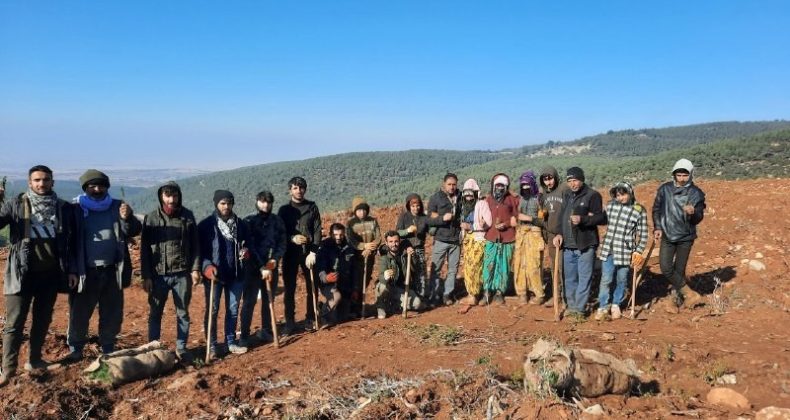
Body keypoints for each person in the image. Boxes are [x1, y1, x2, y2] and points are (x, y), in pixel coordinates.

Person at [0, 165, 74, 386]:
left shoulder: (62, 208)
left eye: (46, 180)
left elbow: (70, 241)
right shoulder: (16, 204)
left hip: (50, 274)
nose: (42, 184)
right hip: (21, 274)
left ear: (53, 182)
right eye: (37, 180)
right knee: (14, 323)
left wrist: (70, 269)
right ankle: (8, 369)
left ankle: (34, 360)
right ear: (29, 182)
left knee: (42, 320)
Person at [67, 169, 142, 360]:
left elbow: (132, 230)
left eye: (102, 186)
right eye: (93, 186)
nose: (98, 189)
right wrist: (72, 269)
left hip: (112, 270)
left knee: (112, 312)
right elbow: (68, 240)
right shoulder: (75, 209)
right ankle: (76, 349)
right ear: (86, 188)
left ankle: (108, 346)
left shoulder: (117, 206)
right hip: (86, 272)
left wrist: (128, 218)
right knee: (80, 312)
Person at [140, 181, 201, 361]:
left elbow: (195, 245)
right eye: (167, 196)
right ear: (161, 196)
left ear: (179, 196)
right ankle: (153, 347)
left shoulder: (187, 216)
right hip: (158, 275)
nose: (171, 200)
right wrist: (146, 276)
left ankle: (181, 348)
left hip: (182, 274)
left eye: (174, 196)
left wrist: (195, 268)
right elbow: (144, 249)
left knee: (183, 312)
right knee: (155, 312)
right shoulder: (151, 218)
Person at [198, 190, 252, 357]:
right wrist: (206, 267)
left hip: (236, 274)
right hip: (214, 275)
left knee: (233, 309)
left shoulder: (241, 225)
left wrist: (246, 251)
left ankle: (230, 342)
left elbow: (248, 243)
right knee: (213, 310)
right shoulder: (206, 225)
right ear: (216, 204)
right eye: (223, 203)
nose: (226, 206)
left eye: (229, 203)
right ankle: (212, 345)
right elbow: (199, 252)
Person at [653, 158, 706, 313]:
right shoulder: (664, 189)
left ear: (690, 175)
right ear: (674, 175)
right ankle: (689, 293)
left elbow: (699, 218)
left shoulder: (696, 193)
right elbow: (656, 209)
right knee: (665, 267)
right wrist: (657, 227)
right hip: (668, 234)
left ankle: (676, 299)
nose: (681, 178)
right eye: (679, 175)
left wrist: (694, 212)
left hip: (686, 237)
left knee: (679, 270)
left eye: (685, 175)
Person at [552, 167, 607, 318]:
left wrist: (583, 219)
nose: (573, 184)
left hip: (585, 245)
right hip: (568, 246)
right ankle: (571, 306)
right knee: (569, 278)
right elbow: (561, 217)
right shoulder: (568, 195)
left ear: (582, 179)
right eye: (569, 181)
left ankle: (580, 310)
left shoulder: (592, 195)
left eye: (575, 180)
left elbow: (602, 218)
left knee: (584, 277)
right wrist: (558, 233)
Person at [595, 182, 648, 321]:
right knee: (606, 279)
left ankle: (616, 304)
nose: (620, 198)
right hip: (608, 249)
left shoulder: (639, 210)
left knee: (622, 279)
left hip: (625, 251)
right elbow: (601, 219)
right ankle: (603, 306)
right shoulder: (610, 206)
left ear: (630, 193)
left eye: (623, 194)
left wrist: (638, 251)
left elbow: (643, 234)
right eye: (617, 195)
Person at [240, 190, 286, 345]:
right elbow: (249, 246)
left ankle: (266, 330)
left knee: (268, 299)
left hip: (270, 267)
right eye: (262, 201)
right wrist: (261, 266)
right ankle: (244, 336)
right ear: (257, 201)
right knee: (249, 301)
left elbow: (282, 243)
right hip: (252, 269)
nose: (265, 205)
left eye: (268, 202)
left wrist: (274, 260)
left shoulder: (277, 221)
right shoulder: (248, 221)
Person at [277, 177, 322, 333]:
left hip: (308, 252)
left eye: (301, 187)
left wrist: (313, 252)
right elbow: (280, 232)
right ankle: (290, 321)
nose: (299, 191)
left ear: (305, 189)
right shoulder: (284, 210)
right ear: (290, 190)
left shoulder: (312, 207)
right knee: (290, 288)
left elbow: (317, 230)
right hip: (290, 253)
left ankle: (310, 318)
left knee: (312, 286)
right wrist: (292, 238)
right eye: (295, 188)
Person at [426, 173, 463, 306]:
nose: (452, 187)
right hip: (441, 239)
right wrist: (442, 218)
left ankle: (447, 294)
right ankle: (434, 295)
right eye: (449, 184)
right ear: (444, 184)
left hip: (455, 240)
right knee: (436, 269)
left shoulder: (461, 196)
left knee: (453, 269)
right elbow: (429, 219)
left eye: (454, 184)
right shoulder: (436, 198)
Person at [481, 173, 518, 305]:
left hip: (507, 237)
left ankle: (499, 291)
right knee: (489, 264)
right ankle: (486, 290)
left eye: (502, 185)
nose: (500, 188)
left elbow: (516, 218)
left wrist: (506, 224)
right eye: (497, 185)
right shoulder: (488, 200)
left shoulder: (512, 200)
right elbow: (482, 216)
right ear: (493, 186)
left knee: (503, 265)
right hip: (491, 236)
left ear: (506, 186)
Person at [513, 170, 546, 304]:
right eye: (523, 186)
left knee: (534, 264)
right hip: (521, 233)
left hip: (534, 233)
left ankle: (539, 293)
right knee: (520, 264)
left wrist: (528, 218)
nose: (525, 188)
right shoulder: (520, 199)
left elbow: (543, 220)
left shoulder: (540, 198)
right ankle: (522, 292)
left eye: (527, 185)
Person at [375, 231, 425, 319]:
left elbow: (415, 268)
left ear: (399, 241)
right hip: (389, 287)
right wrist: (386, 276)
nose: (394, 244)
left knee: (417, 304)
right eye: (390, 242)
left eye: (396, 241)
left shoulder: (405, 254)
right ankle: (381, 307)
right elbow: (381, 277)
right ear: (386, 243)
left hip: (401, 289)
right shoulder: (384, 257)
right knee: (382, 286)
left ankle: (394, 306)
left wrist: (412, 256)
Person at [347, 196, 381, 317]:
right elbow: (351, 241)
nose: (362, 212)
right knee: (356, 283)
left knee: (365, 281)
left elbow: (378, 238)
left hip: (369, 258)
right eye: (359, 210)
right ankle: (353, 308)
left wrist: (370, 247)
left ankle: (360, 307)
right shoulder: (351, 223)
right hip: (356, 259)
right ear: (355, 211)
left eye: (364, 209)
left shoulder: (373, 221)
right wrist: (363, 246)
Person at [539, 166, 569, 304]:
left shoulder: (564, 189)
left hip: (565, 235)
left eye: (550, 178)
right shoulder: (544, 194)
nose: (548, 182)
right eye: (545, 179)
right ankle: (556, 295)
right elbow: (544, 215)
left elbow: (570, 211)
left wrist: (562, 232)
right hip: (551, 236)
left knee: (564, 267)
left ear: (555, 177)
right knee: (554, 266)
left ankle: (566, 297)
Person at [316, 223, 355, 324]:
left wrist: (355, 288)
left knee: (343, 318)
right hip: (329, 283)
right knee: (336, 297)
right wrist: (326, 278)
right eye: (335, 235)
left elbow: (354, 270)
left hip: (344, 284)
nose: (338, 237)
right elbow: (320, 267)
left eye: (341, 235)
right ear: (331, 234)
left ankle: (322, 306)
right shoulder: (325, 247)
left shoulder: (349, 247)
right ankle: (322, 316)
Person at [458, 179, 488, 309]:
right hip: (468, 240)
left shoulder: (481, 204)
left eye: (471, 194)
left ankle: (475, 295)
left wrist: (471, 226)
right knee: (468, 266)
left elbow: (488, 222)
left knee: (475, 266)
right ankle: (473, 293)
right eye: (466, 194)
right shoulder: (464, 206)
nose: (468, 196)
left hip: (478, 239)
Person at [396, 193, 429, 299]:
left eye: (418, 206)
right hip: (406, 250)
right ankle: (407, 298)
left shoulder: (424, 217)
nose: (416, 208)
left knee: (421, 275)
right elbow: (397, 233)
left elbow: (431, 230)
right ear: (409, 206)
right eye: (413, 206)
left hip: (419, 249)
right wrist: (407, 231)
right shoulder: (404, 217)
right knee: (407, 273)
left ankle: (421, 298)